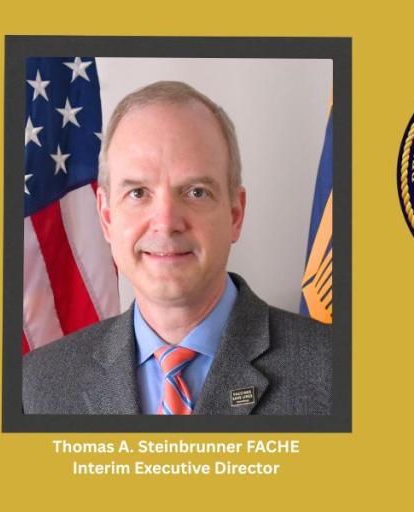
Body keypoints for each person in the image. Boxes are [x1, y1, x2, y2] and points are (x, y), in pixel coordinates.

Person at [22, 81, 332, 415]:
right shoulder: (36, 387)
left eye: (196, 192)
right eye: (138, 193)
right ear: (107, 217)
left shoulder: (339, 373)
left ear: (235, 214)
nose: (166, 222)